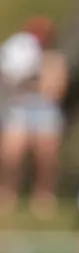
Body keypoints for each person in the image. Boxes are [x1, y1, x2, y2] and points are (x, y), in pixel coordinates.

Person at [0, 16, 68, 218]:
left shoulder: (54, 60)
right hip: (19, 110)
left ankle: (43, 196)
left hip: (45, 113)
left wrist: (31, 81)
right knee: (12, 155)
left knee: (45, 157)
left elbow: (54, 90)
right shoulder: (17, 52)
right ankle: (7, 192)